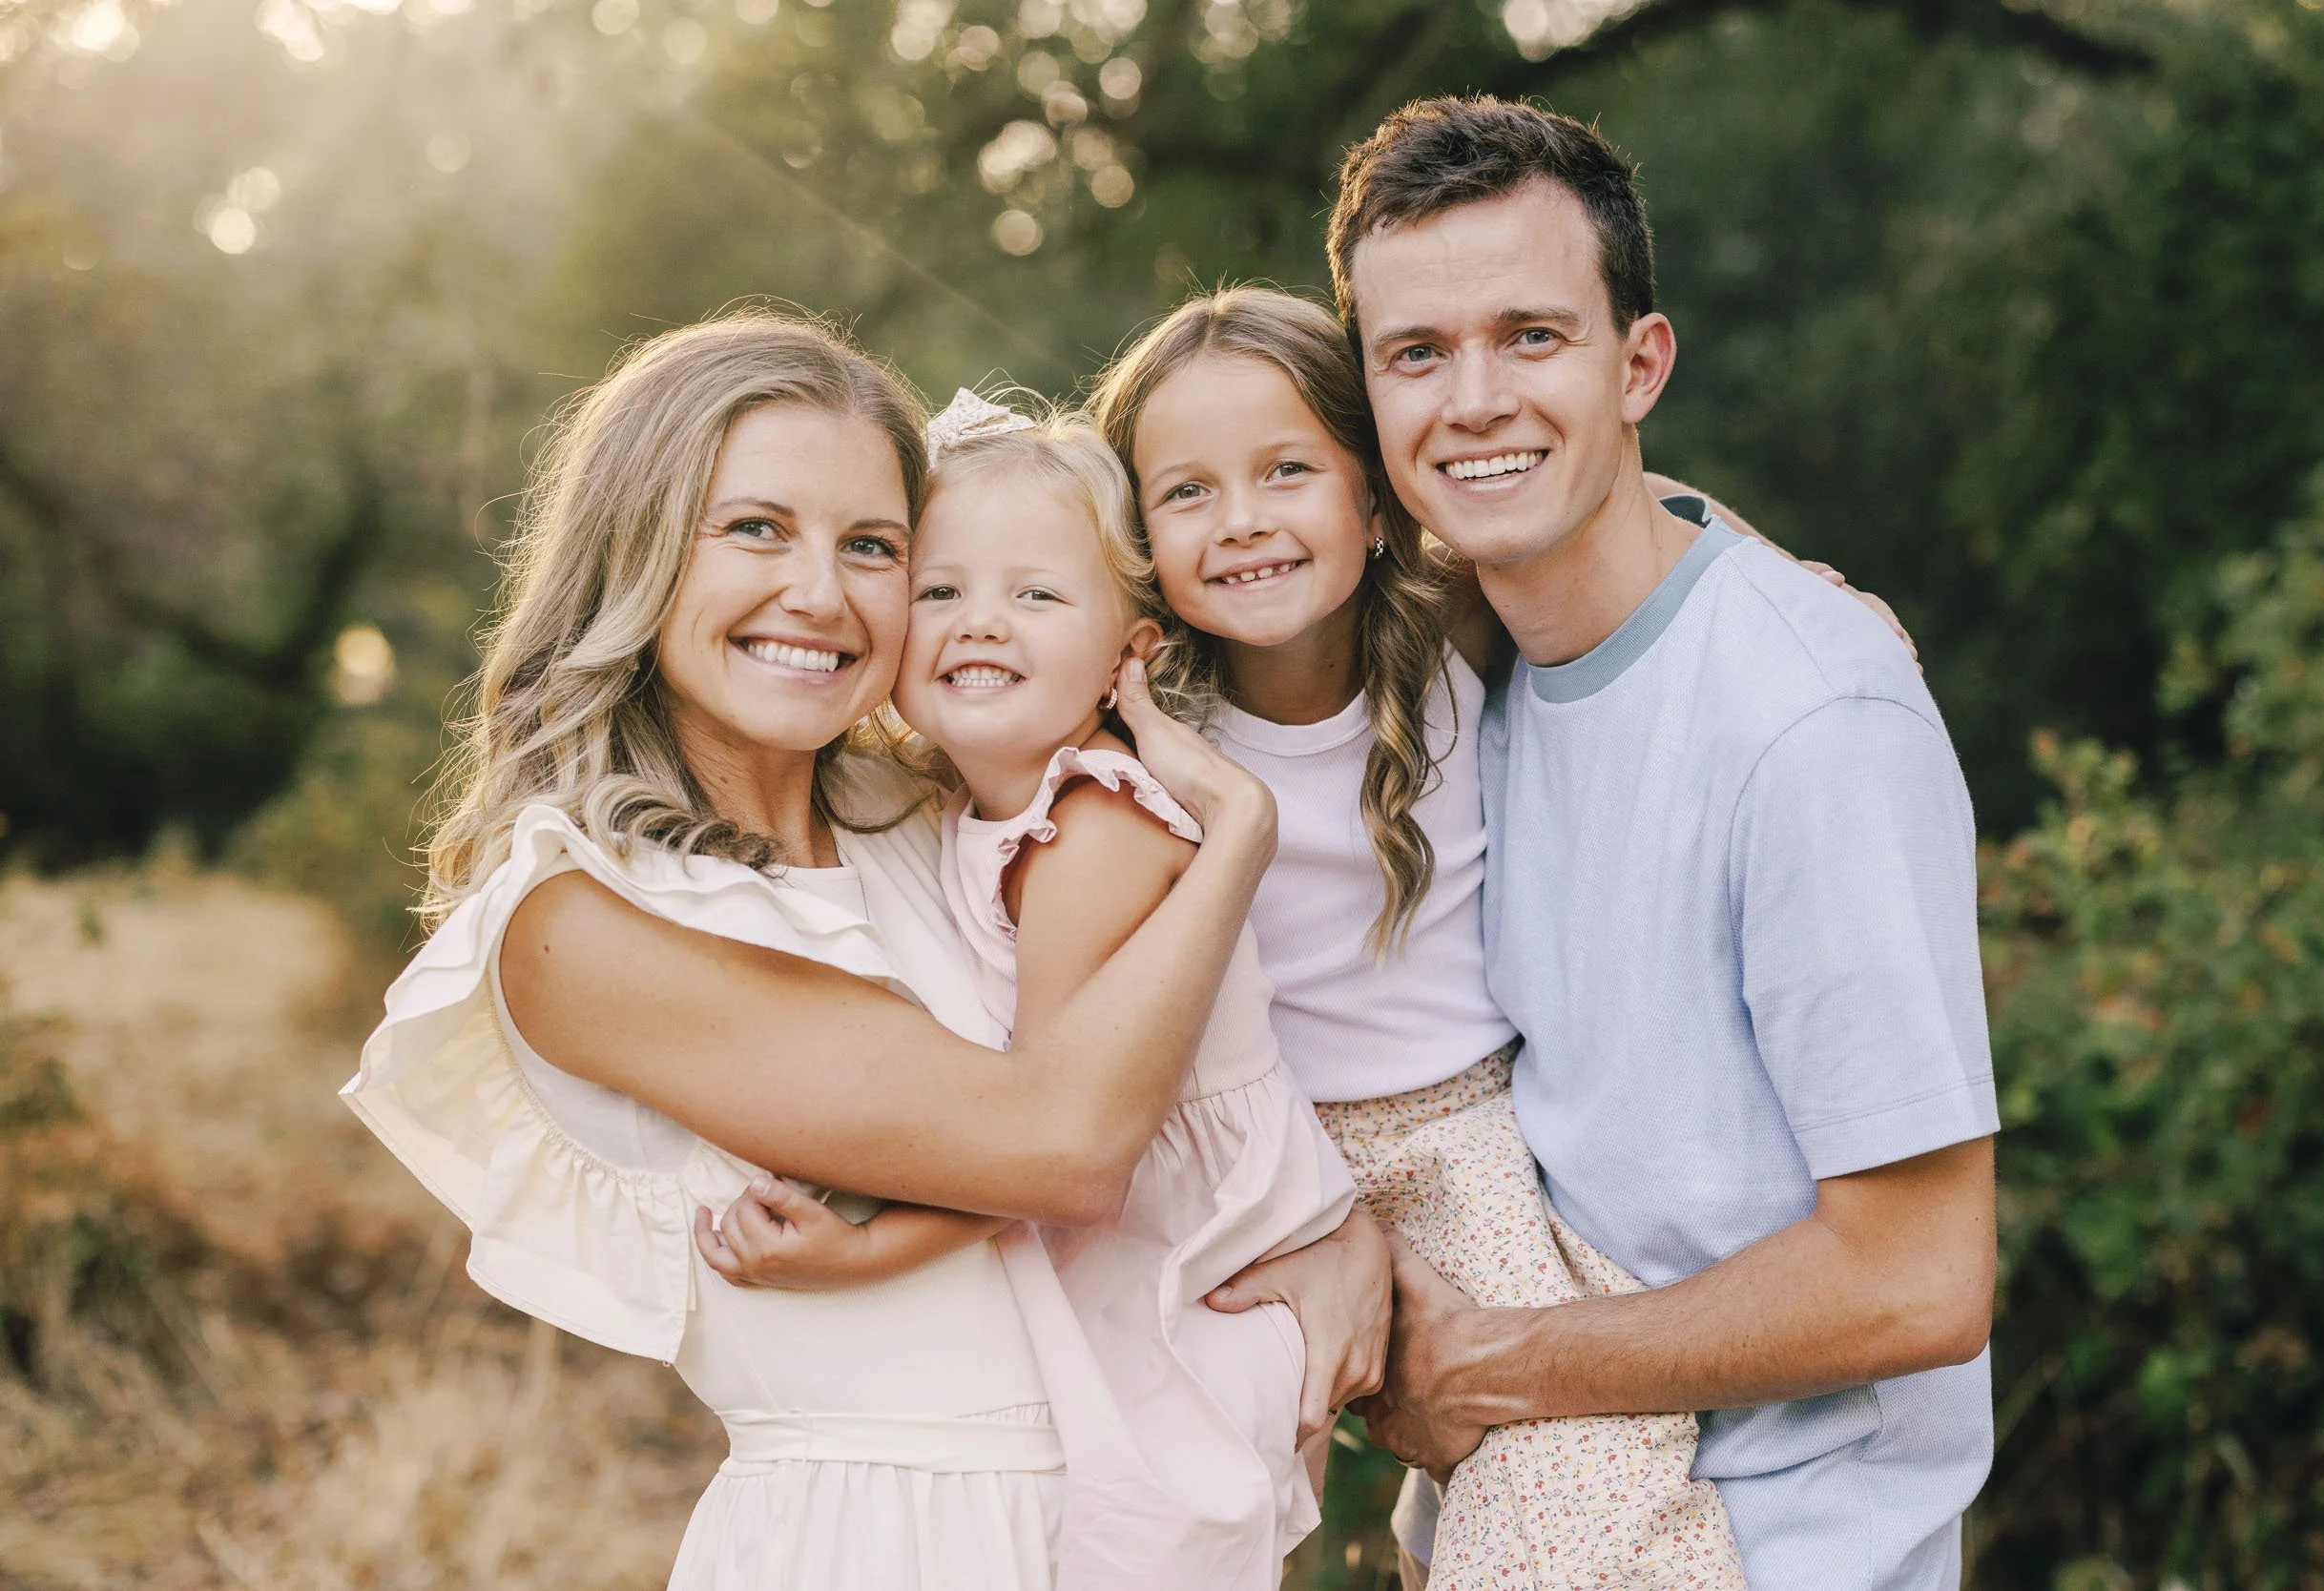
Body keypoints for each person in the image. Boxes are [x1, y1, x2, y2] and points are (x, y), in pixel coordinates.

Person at [338, 308, 1382, 1591]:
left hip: (1121, 1524)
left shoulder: (941, 816)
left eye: (874, 547)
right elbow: (1060, 1143)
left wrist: (1339, 1241)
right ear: (642, 550)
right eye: (756, 529)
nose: (820, 595)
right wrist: (1238, 836)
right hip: (885, 1541)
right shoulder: (582, 922)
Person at [1328, 98, 2001, 1590]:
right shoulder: (1451, 682)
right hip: (1530, 1535)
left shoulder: (1813, 724)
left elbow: (1920, 1280)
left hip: (1778, 1555)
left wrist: (1496, 1367)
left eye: (1533, 336)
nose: (1475, 399)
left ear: (1642, 364)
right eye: (1417, 354)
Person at [1088, 288, 1748, 1589]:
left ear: (1376, 490)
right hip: (1247, 1162)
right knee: (1160, 1506)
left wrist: (1781, 575)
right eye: (1188, 493)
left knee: (1580, 1465)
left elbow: (1613, 503)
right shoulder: (1135, 726)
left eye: (1288, 471)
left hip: (1461, 1141)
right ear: (1137, 533)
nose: (1244, 523)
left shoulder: (1454, 630)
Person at [695, 393, 1356, 1589]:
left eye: (1036, 595)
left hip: (1183, 1271)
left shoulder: (1090, 826)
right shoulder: (964, 805)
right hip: (1107, 1246)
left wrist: (863, 1255)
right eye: (940, 592)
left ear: (1129, 652)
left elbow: (1040, 1144)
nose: (979, 623)